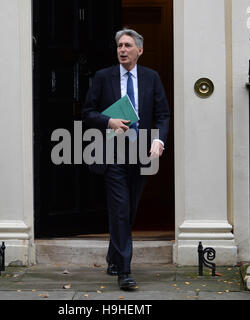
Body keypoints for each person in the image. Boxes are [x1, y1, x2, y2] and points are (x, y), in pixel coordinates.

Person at [82, 28, 170, 290]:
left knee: (128, 211)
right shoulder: (102, 77)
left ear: (139, 51)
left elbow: (163, 114)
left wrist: (159, 140)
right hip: (113, 154)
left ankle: (113, 255)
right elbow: (87, 112)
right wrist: (108, 120)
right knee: (120, 210)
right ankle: (125, 270)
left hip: (140, 153)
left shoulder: (151, 78)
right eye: (119, 45)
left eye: (128, 46)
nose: (122, 50)